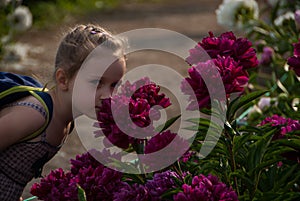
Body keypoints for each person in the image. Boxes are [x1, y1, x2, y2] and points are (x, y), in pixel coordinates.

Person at [0, 24, 127, 200]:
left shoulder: (66, 121)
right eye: (96, 82)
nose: (108, 96)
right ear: (63, 79)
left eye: (115, 85)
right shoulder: (35, 114)